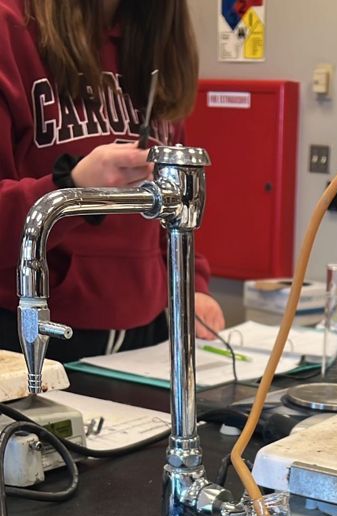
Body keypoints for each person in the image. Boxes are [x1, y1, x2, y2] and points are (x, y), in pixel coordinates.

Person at [0, 0, 225, 361]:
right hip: (33, 336)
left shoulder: (154, 36)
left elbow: (173, 201)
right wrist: (72, 187)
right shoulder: (11, 29)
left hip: (147, 335)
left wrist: (192, 286)